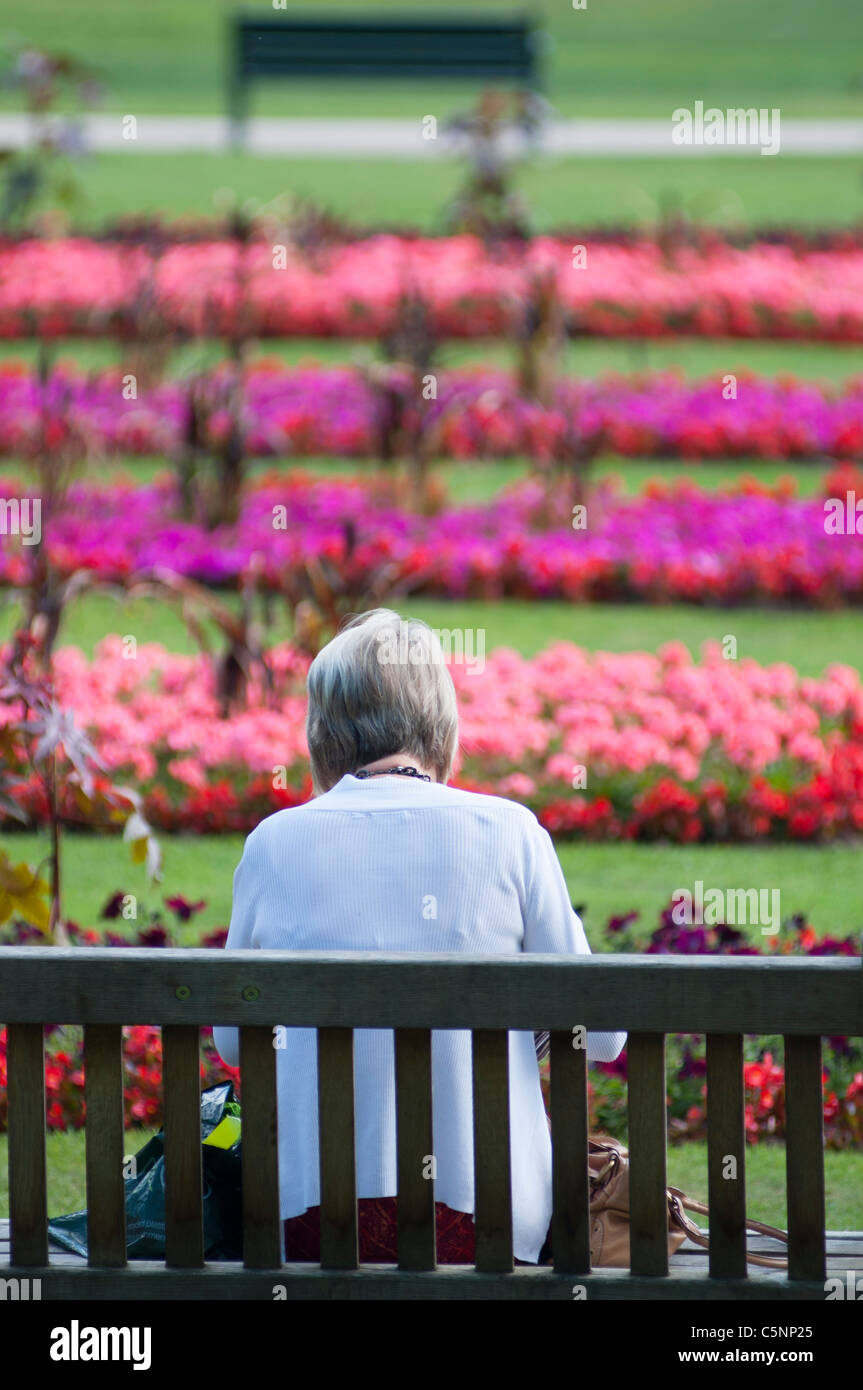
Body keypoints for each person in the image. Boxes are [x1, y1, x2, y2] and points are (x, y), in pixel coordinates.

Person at [213, 609, 625, 1264]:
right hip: (487, 1222)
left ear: (323, 731)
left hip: (310, 1223)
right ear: (441, 725)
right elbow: (601, 1035)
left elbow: (235, 1039)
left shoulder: (274, 843)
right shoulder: (510, 832)